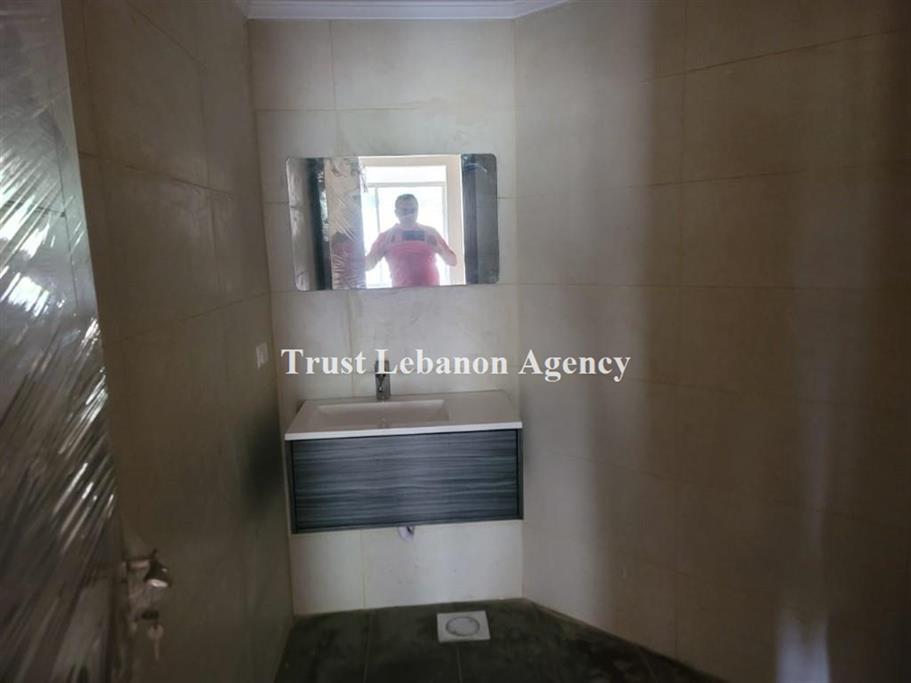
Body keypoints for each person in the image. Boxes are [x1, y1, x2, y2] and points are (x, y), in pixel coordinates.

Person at [365, 194, 457, 287]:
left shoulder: (430, 233)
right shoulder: (386, 237)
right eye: (404, 211)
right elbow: (367, 266)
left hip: (431, 292)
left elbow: (453, 262)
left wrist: (440, 249)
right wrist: (381, 249)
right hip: (401, 293)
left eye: (413, 211)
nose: (409, 215)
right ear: (396, 212)